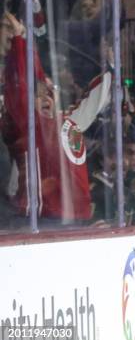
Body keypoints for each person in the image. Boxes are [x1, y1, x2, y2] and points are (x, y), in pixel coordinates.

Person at [1, 12, 111, 221]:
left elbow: (38, 81)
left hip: (75, 220)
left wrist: (113, 70)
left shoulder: (67, 121)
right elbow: (23, 91)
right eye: (39, 96)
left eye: (50, 94)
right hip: (42, 218)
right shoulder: (28, 125)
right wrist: (19, 41)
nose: (46, 98)